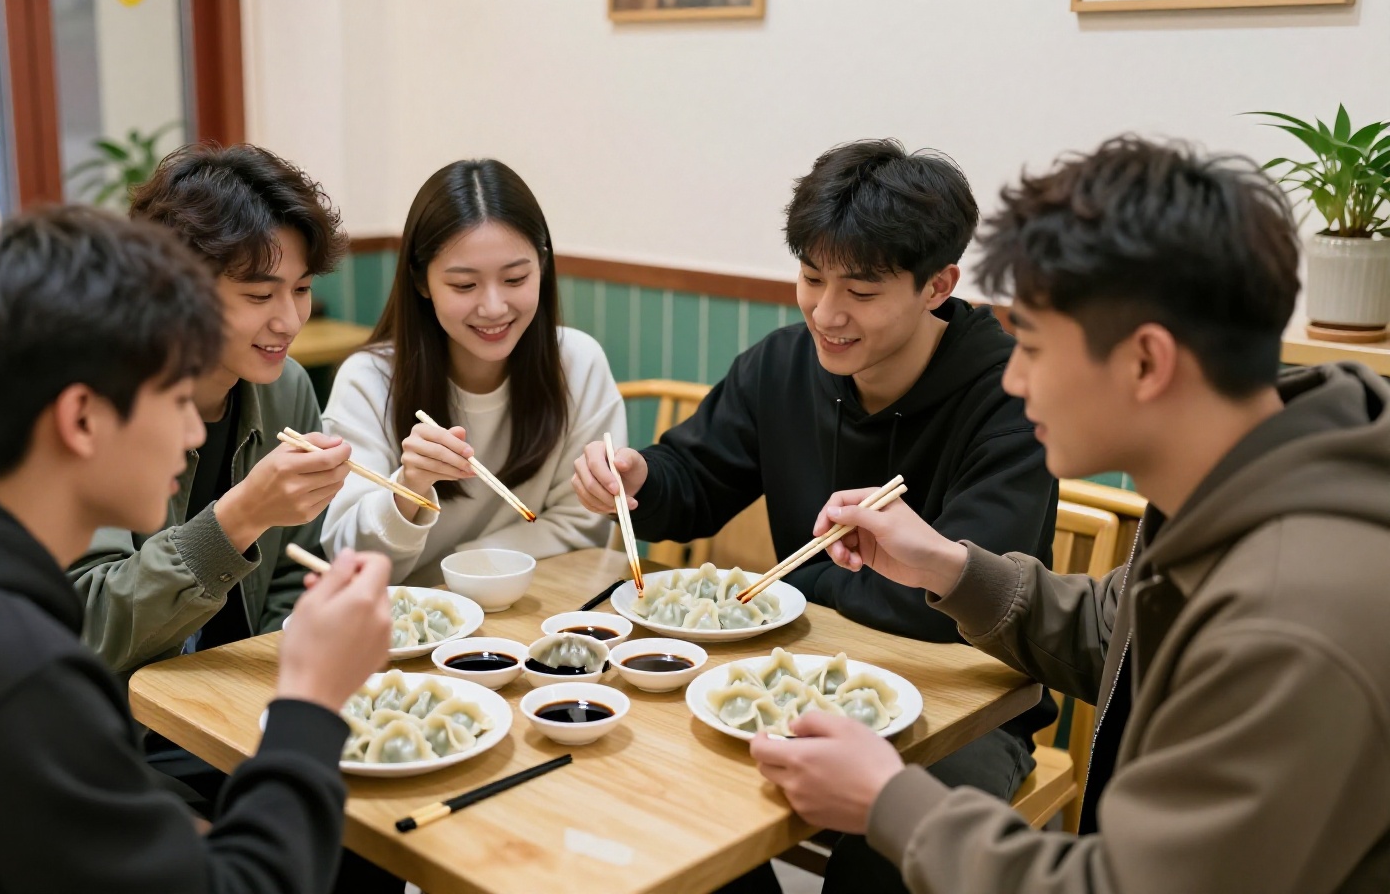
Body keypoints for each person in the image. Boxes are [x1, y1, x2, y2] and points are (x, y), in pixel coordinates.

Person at [754, 136, 1390, 893]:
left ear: (1146, 362)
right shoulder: (1253, 479)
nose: (1015, 380)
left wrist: (891, 802)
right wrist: (948, 568)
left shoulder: (1292, 615)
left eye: (1033, 347)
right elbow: (1115, 633)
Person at [0, 205, 394, 893]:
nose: (195, 436)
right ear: (81, 417)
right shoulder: (9, 674)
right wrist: (311, 702)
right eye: (174, 398)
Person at [572, 140, 1056, 892]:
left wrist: (798, 601)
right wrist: (640, 477)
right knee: (667, 795)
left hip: (961, 707)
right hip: (792, 679)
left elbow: (965, 598)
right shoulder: (782, 365)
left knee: (887, 852)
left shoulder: (1009, 396)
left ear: (939, 285)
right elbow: (694, 476)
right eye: (809, 277)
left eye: (861, 291)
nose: (827, 313)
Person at [70, 143, 353, 673]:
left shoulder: (285, 387)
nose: (290, 321)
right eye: (258, 296)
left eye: (303, 288)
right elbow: (88, 623)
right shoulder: (99, 404)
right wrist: (239, 517)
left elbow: (297, 574)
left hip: (242, 699)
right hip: (127, 728)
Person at [321, 158, 624, 585]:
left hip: (533, 610)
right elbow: (348, 559)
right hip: (410, 629)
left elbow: (583, 528)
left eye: (516, 279)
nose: (495, 307)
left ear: (542, 266)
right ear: (422, 282)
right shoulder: (369, 381)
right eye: (465, 285)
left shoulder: (577, 364)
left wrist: (460, 568)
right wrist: (410, 486)